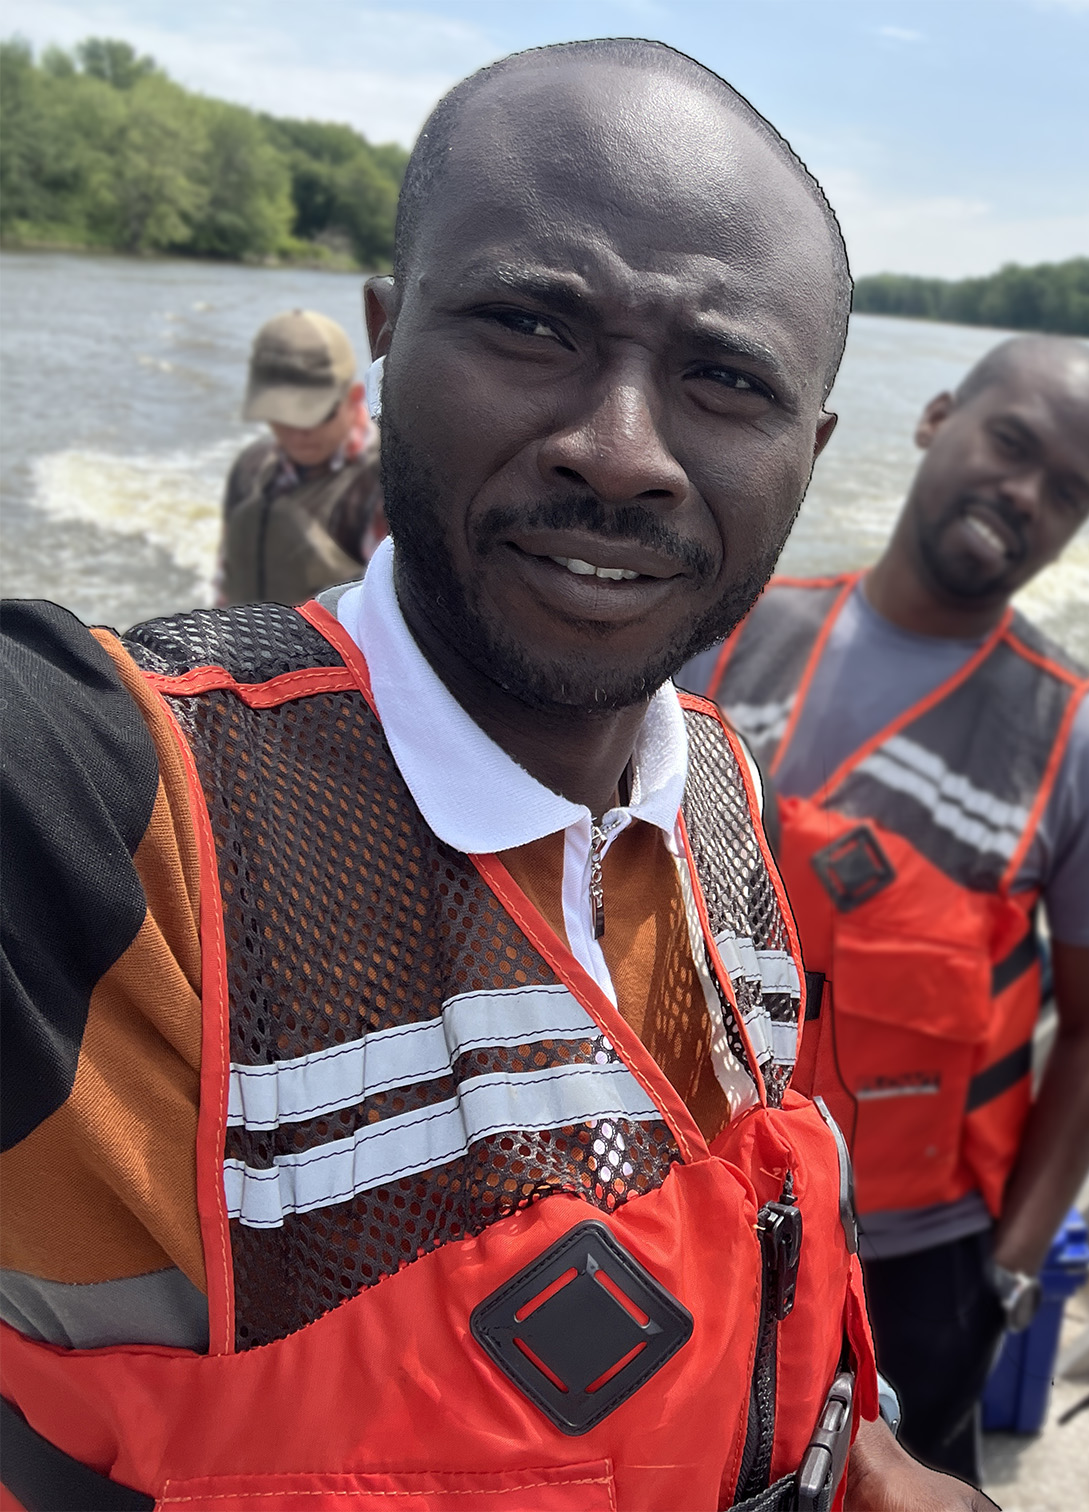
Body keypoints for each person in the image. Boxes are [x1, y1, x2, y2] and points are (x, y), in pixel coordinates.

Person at [0, 41, 995, 1512]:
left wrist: (870, 1466)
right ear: (386, 337)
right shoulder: (108, 807)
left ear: (813, 448)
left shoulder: (715, 790)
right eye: (531, 324)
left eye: (727, 378)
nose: (622, 451)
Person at [680, 334, 1089, 1482]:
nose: (1025, 494)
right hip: (683, 1192)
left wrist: (1010, 1273)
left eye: (1068, 492)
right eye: (1011, 443)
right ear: (938, 416)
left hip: (916, 1262)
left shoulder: (1085, 750)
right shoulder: (725, 632)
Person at [217, 308, 386, 606]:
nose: (299, 432)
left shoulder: (392, 482)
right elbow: (227, 581)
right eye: (283, 414)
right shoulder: (251, 467)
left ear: (354, 398)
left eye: (314, 413)